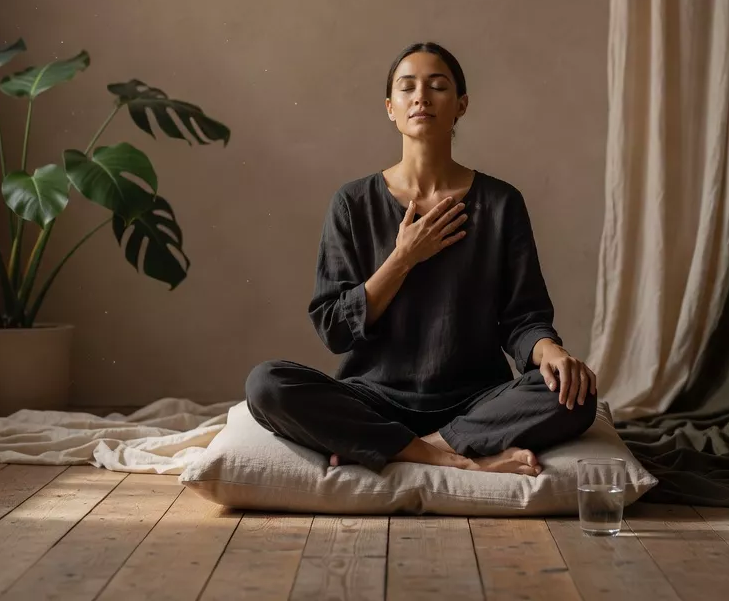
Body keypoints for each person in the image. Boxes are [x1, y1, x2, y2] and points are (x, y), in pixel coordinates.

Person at [245, 42, 598, 476]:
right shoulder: (353, 203)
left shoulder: (501, 202)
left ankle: (413, 449)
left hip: (475, 399)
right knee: (266, 385)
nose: (421, 97)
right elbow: (334, 328)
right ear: (391, 107)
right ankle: (457, 457)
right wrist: (404, 257)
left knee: (575, 394)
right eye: (407, 87)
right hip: (374, 398)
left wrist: (552, 353)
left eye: (438, 86)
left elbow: (524, 317)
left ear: (461, 105)